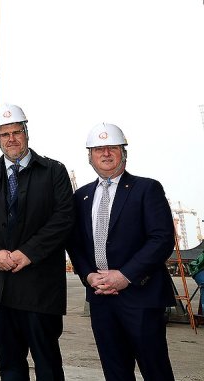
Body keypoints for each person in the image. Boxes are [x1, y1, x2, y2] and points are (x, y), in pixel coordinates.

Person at [0, 104, 74, 381]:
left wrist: (29, 252)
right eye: (4, 134)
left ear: (26, 133)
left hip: (39, 288)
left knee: (47, 363)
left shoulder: (53, 171)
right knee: (9, 364)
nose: (11, 139)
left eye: (16, 132)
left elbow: (63, 217)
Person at [66, 123, 175, 380]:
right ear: (89, 156)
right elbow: (75, 243)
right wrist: (88, 275)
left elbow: (161, 239)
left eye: (112, 148)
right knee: (115, 372)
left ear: (123, 153)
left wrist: (125, 276)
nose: (105, 154)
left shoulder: (147, 189)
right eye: (98, 149)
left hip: (141, 297)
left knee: (155, 370)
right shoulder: (81, 196)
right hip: (101, 299)